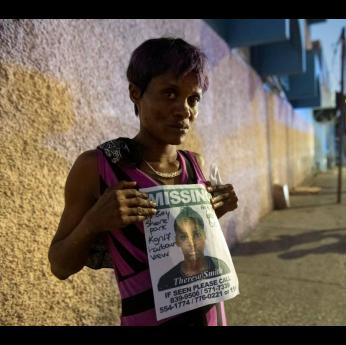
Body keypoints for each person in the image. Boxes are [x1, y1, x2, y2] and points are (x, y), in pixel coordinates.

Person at [48, 37, 238, 326]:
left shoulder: (193, 164)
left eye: (193, 98)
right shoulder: (97, 167)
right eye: (170, 94)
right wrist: (94, 222)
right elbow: (60, 265)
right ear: (135, 93)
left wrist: (214, 212)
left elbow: (190, 245)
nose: (184, 110)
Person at [157, 206, 230, 291]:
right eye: (184, 237)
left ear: (205, 235)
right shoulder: (166, 281)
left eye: (196, 235)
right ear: (177, 241)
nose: (191, 243)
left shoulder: (220, 267)